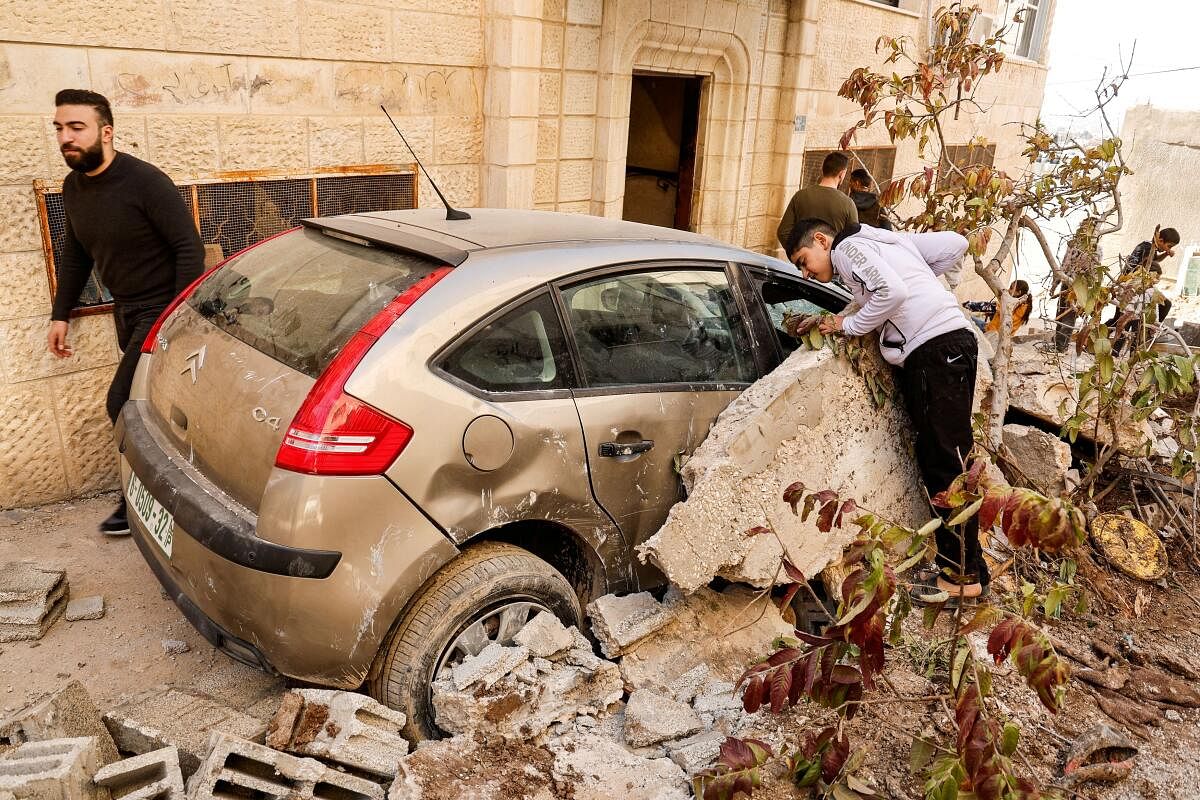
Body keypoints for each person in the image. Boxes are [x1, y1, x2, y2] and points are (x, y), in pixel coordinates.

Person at [786, 218, 987, 602]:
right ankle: (972, 569)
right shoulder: (890, 241)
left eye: (803, 259)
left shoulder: (846, 250)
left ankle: (960, 578)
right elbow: (956, 243)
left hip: (933, 353)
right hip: (954, 343)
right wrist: (929, 287)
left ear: (821, 239)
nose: (805, 271)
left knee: (944, 464)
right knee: (954, 459)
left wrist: (848, 324)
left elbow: (890, 292)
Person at [47, 89, 205, 535]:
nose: (66, 137)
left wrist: (174, 321)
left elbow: (188, 249)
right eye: (60, 128)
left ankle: (136, 500)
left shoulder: (145, 182)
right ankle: (166, 492)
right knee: (149, 408)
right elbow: (76, 254)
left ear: (107, 131)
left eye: (76, 127)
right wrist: (62, 314)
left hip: (162, 309)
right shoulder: (73, 187)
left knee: (122, 402)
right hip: (126, 311)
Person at [776, 152, 859, 251]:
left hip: (802, 262)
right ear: (842, 174)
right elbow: (854, 240)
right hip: (831, 263)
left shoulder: (800, 196)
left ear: (823, 169)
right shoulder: (848, 203)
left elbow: (783, 232)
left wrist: (799, 255)